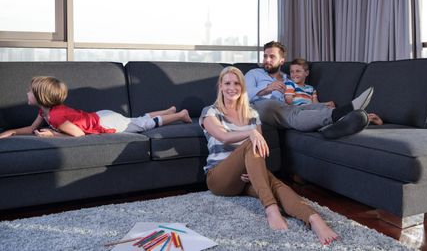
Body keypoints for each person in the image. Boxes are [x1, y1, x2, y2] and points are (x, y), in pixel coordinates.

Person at [200, 66, 338, 245]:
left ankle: (313, 218)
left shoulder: (252, 114)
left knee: (275, 184)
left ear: (242, 87)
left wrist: (252, 171)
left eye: (236, 83)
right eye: (227, 83)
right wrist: (250, 133)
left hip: (245, 178)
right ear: (220, 86)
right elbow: (224, 137)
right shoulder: (210, 112)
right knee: (252, 140)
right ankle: (271, 208)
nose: (232, 87)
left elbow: (259, 148)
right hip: (220, 178)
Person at [245, 41, 373, 139]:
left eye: (272, 57)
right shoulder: (254, 73)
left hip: (287, 108)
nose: (267, 60)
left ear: (282, 60)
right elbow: (245, 95)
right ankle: (340, 114)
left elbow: (299, 101)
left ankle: (342, 122)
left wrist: (322, 105)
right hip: (261, 107)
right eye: (265, 56)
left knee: (304, 109)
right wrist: (267, 89)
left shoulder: (289, 79)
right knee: (282, 109)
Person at [0, 76, 191, 139]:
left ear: (41, 97)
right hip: (99, 116)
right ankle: (168, 111)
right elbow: (31, 129)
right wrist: (11, 131)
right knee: (135, 120)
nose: (26, 93)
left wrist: (53, 134)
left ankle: (180, 114)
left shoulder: (56, 116)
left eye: (30, 91)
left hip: (106, 123)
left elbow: (79, 135)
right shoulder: (45, 111)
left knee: (143, 125)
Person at [285, 58, 383, 125]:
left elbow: (316, 104)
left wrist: (325, 104)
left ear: (306, 73)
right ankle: (359, 117)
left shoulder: (311, 89)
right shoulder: (290, 84)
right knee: (324, 114)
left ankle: (365, 117)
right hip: (299, 111)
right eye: (292, 71)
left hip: (312, 109)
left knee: (328, 109)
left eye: (298, 71)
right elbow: (289, 101)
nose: (294, 74)